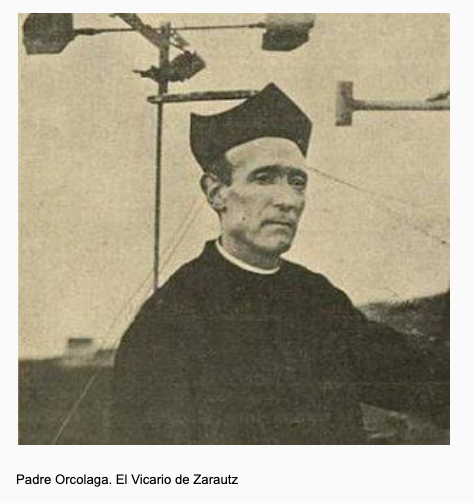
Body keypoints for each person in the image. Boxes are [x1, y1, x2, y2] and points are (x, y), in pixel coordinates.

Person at [111, 83, 448, 444]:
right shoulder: (170, 319)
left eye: (297, 182)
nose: (287, 200)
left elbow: (428, 386)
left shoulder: (316, 297)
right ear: (216, 192)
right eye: (264, 178)